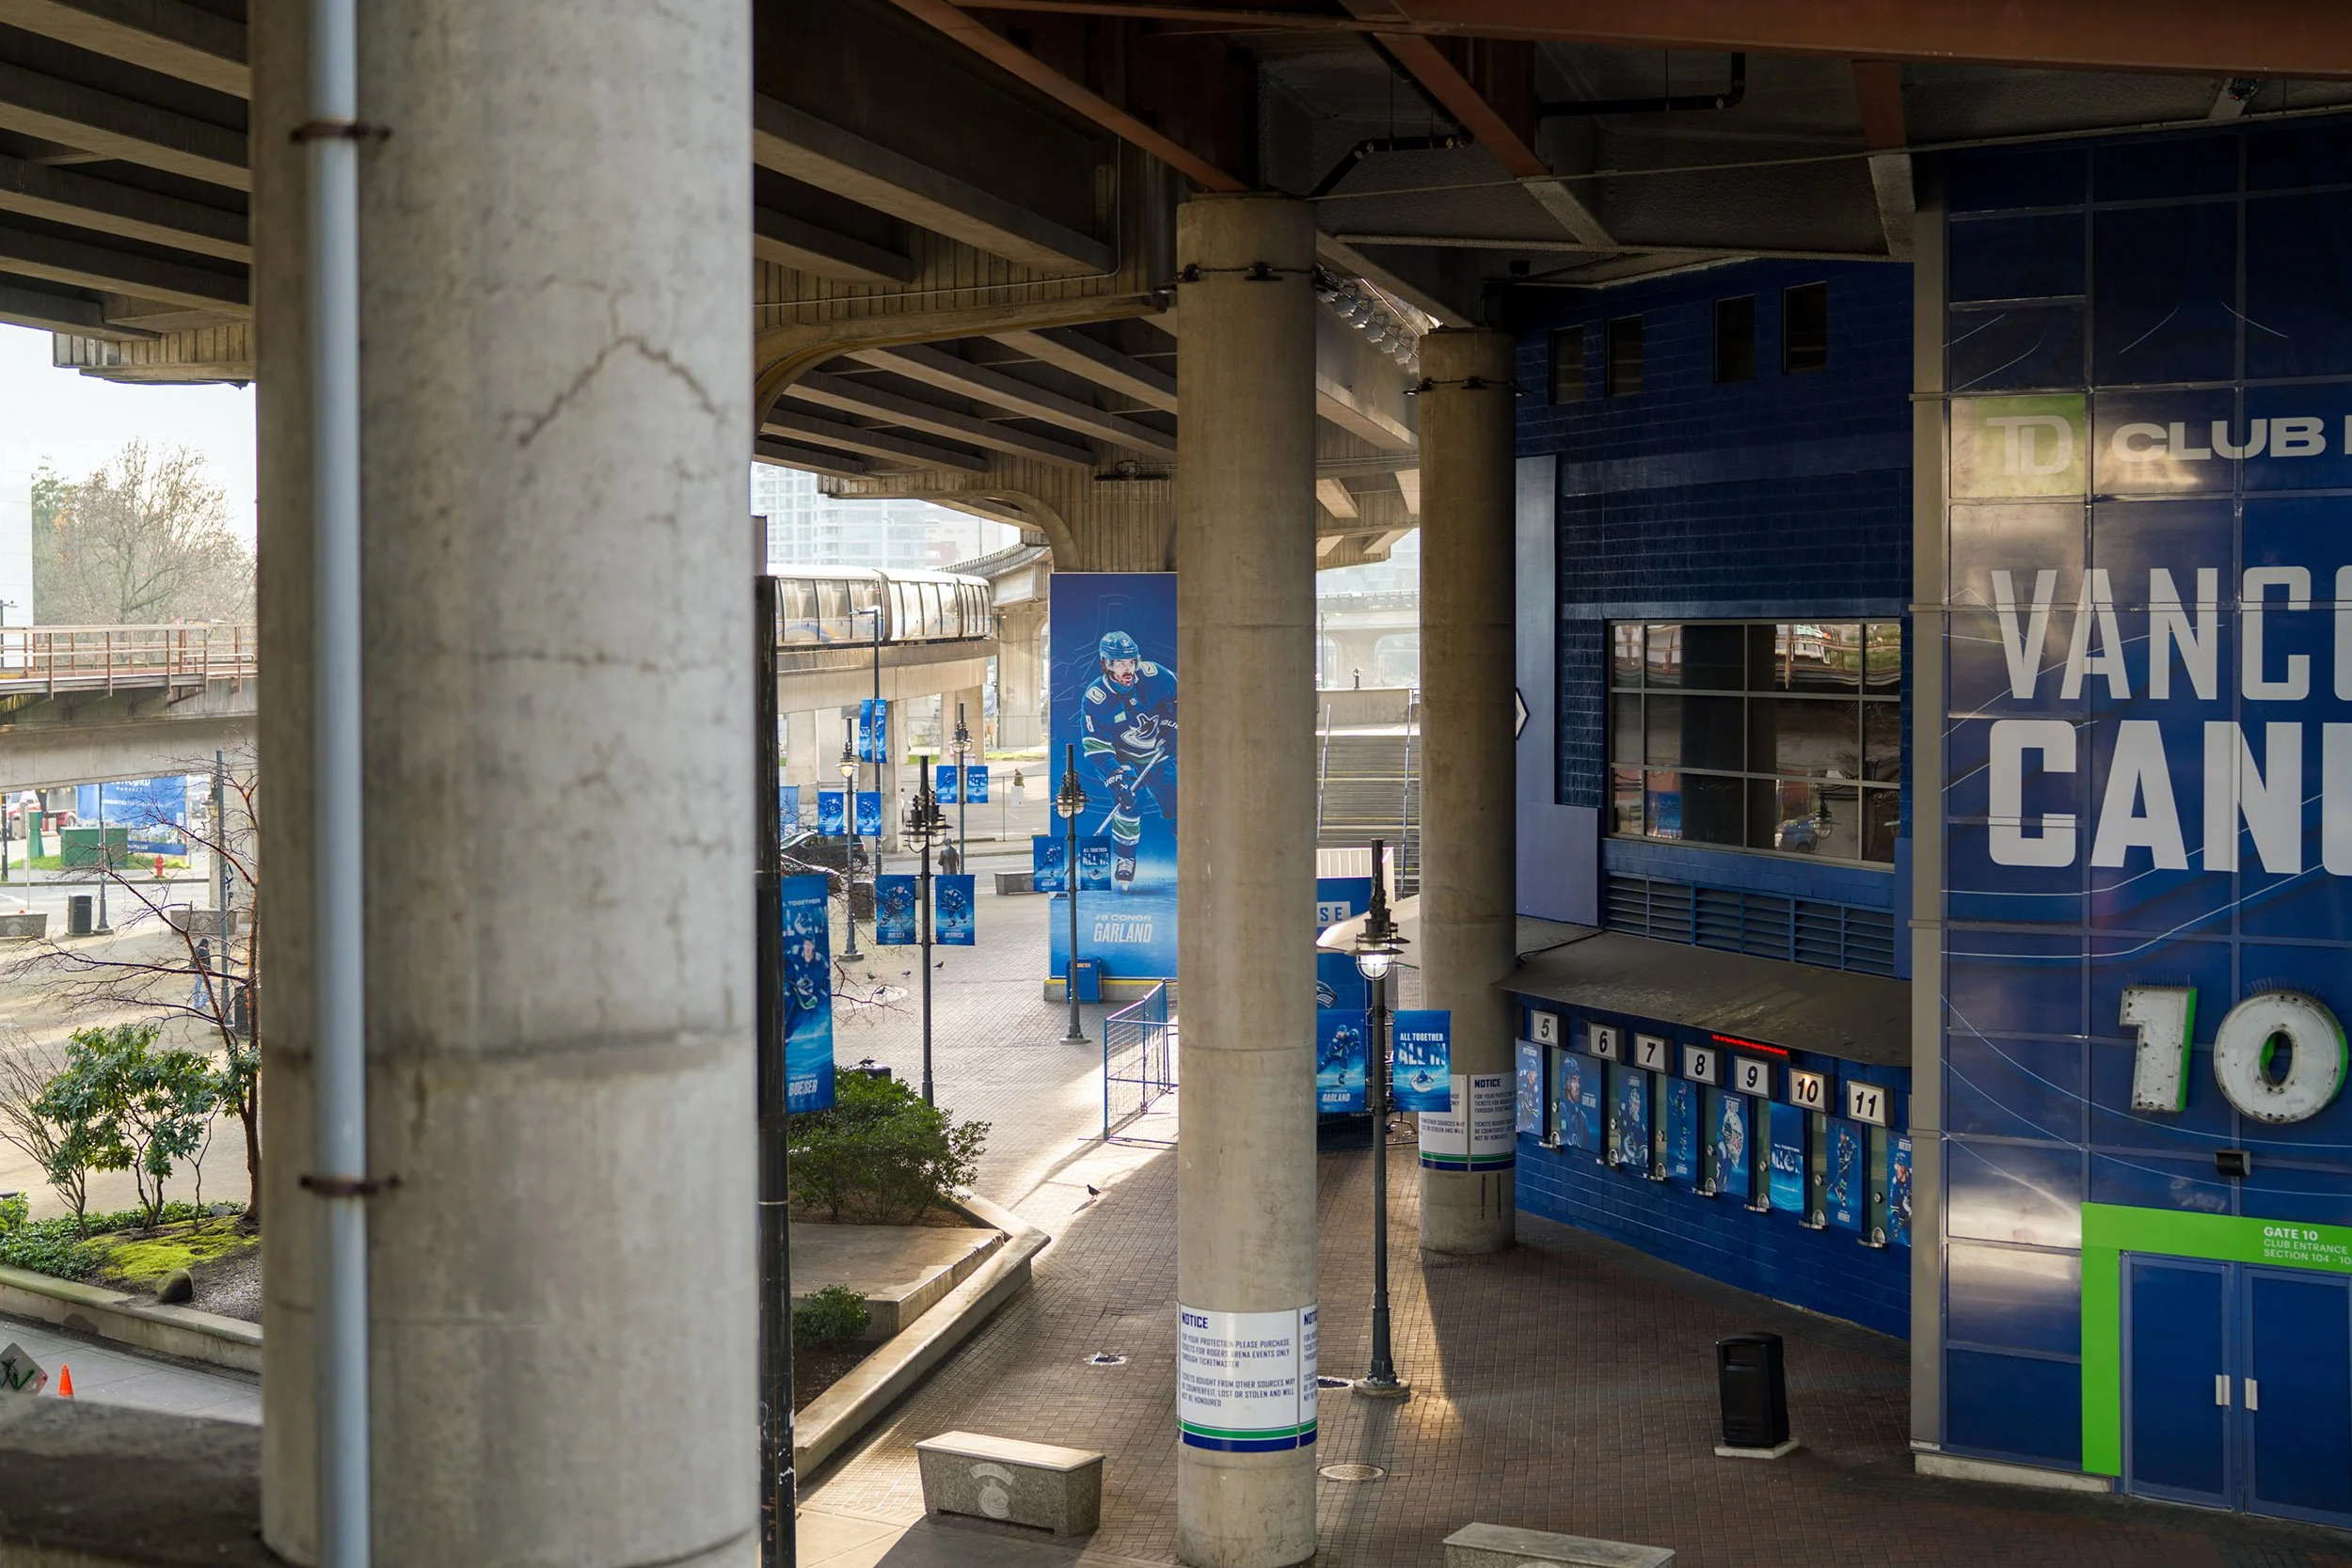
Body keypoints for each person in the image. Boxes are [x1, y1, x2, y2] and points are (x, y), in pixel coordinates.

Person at [1080, 629, 1177, 889]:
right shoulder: (1096, 698)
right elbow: (1096, 745)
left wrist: (1172, 725)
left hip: (1158, 752)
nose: (1128, 669)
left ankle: (1192, 853)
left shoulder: (1156, 676)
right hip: (1123, 758)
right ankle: (1125, 859)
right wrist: (1114, 777)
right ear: (1107, 664)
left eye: (1131, 661)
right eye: (1120, 663)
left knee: (1179, 801)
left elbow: (1183, 697)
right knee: (1130, 802)